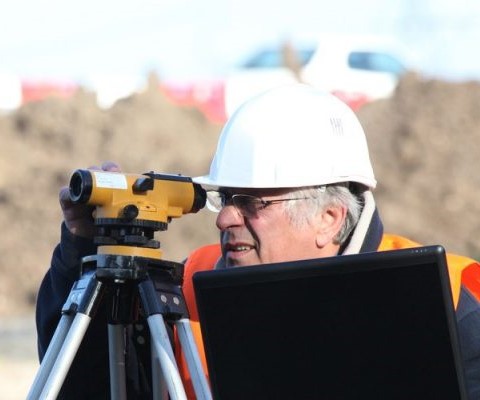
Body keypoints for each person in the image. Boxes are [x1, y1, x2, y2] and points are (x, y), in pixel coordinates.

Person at [36, 83, 480, 399]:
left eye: (252, 202)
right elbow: (84, 386)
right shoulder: (185, 291)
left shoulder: (450, 298)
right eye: (226, 198)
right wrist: (83, 252)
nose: (225, 217)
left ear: (328, 218)